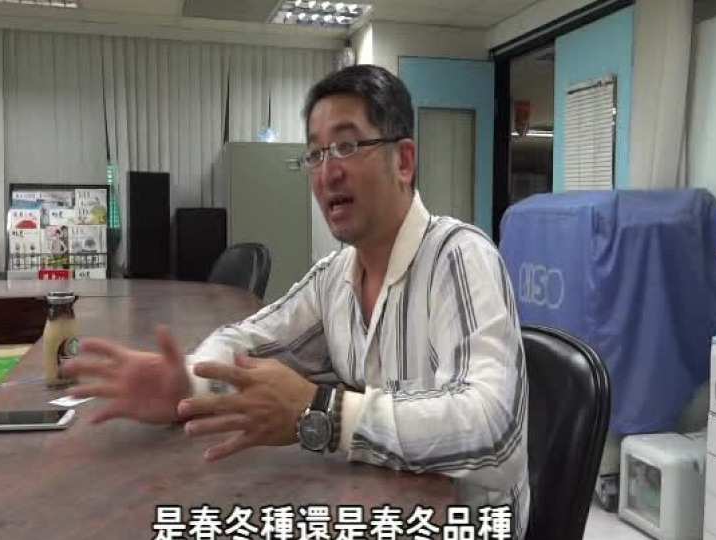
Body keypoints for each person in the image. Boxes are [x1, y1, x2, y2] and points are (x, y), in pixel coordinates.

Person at [64, 64, 529, 537]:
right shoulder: (334, 276)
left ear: (403, 161)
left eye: (347, 146)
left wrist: (325, 412)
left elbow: (492, 427)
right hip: (383, 506)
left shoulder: (460, 257)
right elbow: (248, 339)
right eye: (315, 153)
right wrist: (188, 383)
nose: (327, 172)